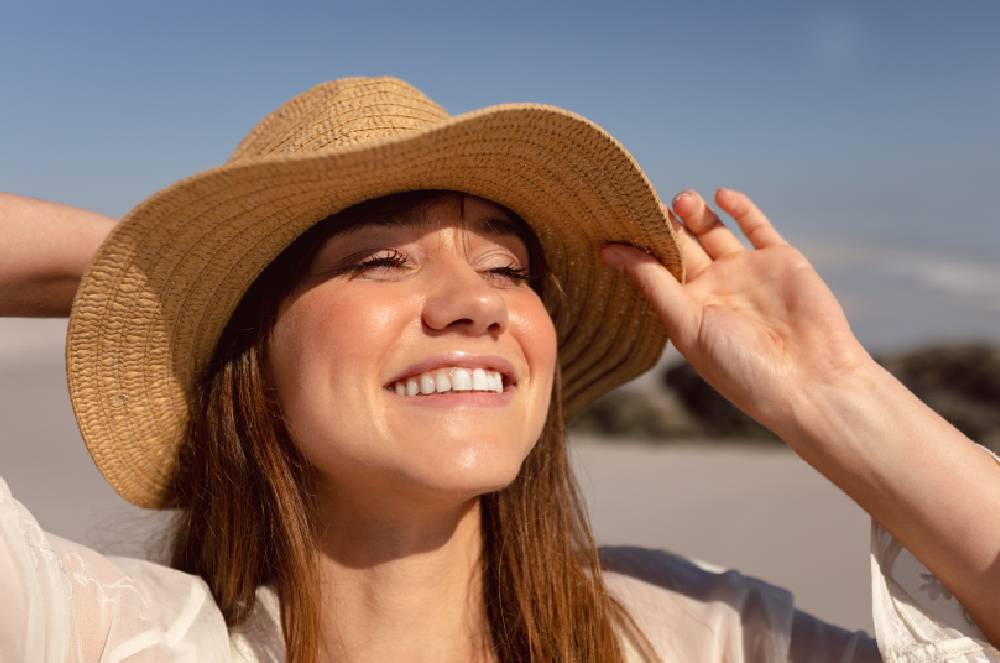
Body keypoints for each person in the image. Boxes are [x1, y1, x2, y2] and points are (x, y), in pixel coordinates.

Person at [0, 76, 997, 663]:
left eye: (506, 269)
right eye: (378, 259)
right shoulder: (105, 637)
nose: (475, 302)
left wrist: (835, 397)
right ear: (253, 357)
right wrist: (164, 278)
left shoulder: (690, 635)